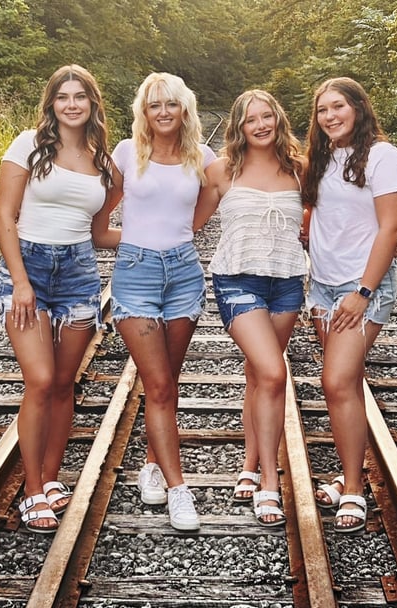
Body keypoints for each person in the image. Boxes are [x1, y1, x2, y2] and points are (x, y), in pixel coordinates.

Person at [0, 64, 121, 534]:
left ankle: (48, 479)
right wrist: (21, 282)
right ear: (52, 103)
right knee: (41, 379)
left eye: (80, 97)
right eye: (63, 96)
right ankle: (31, 490)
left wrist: (157, 238)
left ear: (92, 104)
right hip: (27, 267)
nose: (71, 104)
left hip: (79, 272)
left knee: (65, 383)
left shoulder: (103, 162)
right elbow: (4, 215)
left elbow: (100, 233)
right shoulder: (29, 144)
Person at [193, 90, 308, 527]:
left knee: (260, 377)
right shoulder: (222, 170)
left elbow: (327, 221)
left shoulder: (298, 169)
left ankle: (248, 462)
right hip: (237, 280)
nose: (260, 125)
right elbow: (191, 222)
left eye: (267, 117)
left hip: (286, 283)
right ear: (239, 127)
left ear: (278, 119)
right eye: (250, 119)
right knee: (275, 372)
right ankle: (269, 483)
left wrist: (380, 242)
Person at [109, 72, 216, 531]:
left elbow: (217, 196)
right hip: (136, 274)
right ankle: (178, 488)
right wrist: (132, 242)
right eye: (155, 105)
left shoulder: (203, 157)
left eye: (171, 104)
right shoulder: (125, 153)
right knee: (158, 384)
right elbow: (98, 211)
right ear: (144, 111)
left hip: (185, 275)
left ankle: (151, 464)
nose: (164, 112)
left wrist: (181, 236)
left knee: (167, 380)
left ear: (184, 108)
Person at [303, 77, 397, 533]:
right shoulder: (322, 157)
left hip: (360, 287)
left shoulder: (383, 156)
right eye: (322, 109)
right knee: (340, 386)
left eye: (338, 107)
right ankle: (349, 474)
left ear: (358, 108)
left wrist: (363, 292)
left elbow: (390, 228)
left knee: (337, 379)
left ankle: (353, 489)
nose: (330, 116)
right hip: (322, 285)